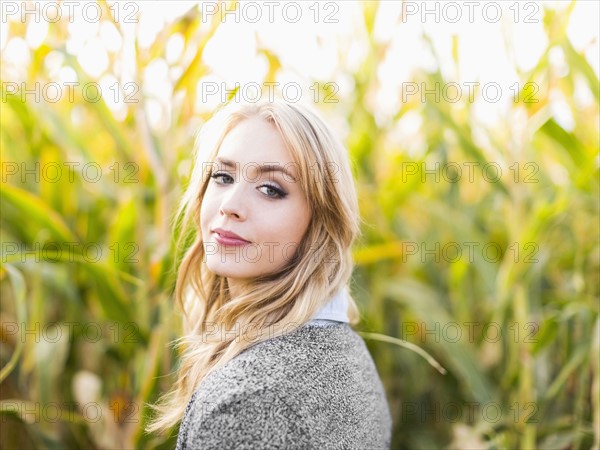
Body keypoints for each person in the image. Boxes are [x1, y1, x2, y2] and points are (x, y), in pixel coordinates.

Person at [145, 99, 392, 449]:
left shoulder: (247, 405)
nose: (230, 204)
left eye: (271, 189)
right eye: (223, 176)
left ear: (320, 223)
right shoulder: (347, 349)